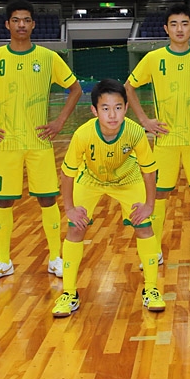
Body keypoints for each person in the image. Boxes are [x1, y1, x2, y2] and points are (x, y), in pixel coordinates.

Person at [0, 0, 82, 282]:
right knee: (3, 202)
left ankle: (55, 258)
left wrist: (59, 122)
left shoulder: (48, 57)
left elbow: (76, 88)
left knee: (48, 199)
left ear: (33, 24)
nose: (21, 25)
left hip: (39, 143)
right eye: (16, 20)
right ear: (7, 24)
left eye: (26, 20)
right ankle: (4, 261)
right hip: (6, 143)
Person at [125, 4, 190, 268]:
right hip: (165, 140)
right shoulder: (154, 58)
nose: (179, 29)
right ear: (166, 28)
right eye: (174, 24)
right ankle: (155, 251)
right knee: (159, 195)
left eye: (184, 23)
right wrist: (144, 120)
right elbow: (128, 87)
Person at [52, 79, 165, 317]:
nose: (112, 115)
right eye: (105, 108)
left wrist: (149, 205)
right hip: (90, 179)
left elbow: (149, 170)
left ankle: (151, 290)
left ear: (126, 108)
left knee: (144, 226)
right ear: (94, 110)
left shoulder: (135, 132)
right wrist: (69, 208)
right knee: (75, 227)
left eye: (118, 107)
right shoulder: (83, 134)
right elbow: (67, 173)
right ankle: (69, 293)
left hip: (127, 179)